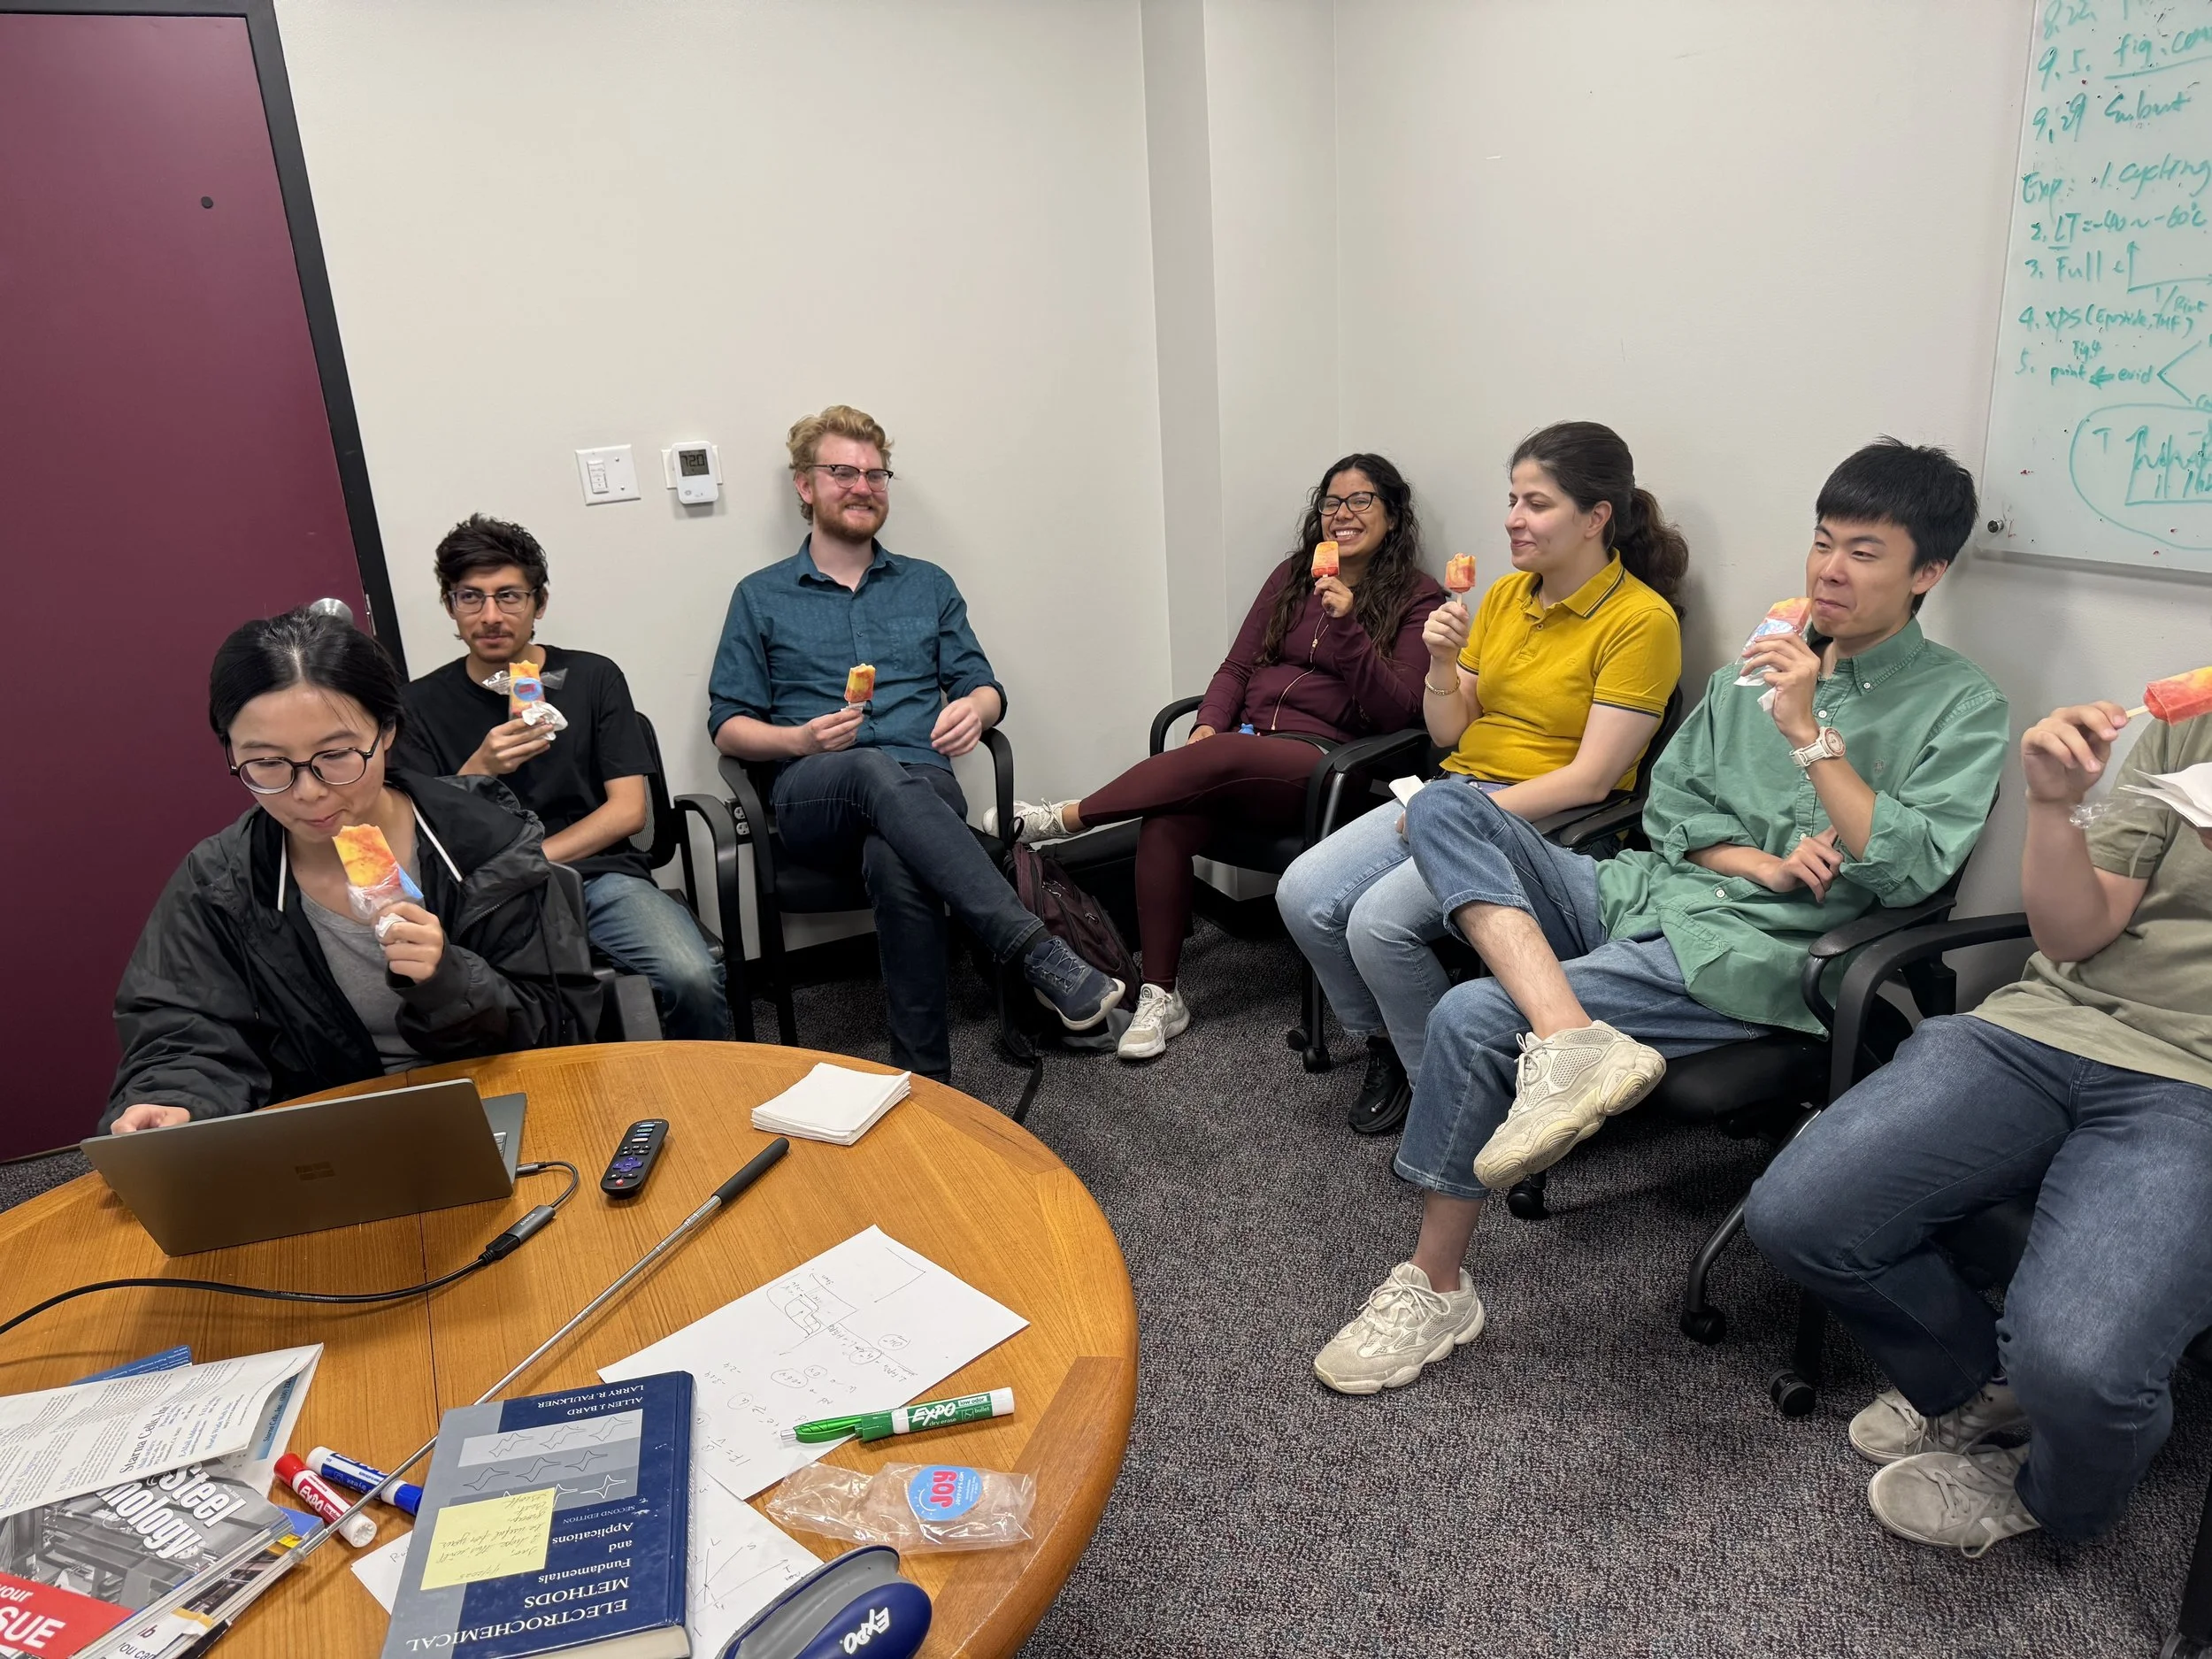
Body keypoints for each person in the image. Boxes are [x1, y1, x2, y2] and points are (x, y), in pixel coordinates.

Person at [1311, 438, 2011, 1395]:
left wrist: (1811, 736)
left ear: (1927, 572)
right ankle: (1570, 1037)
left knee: (1469, 1014)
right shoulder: (1752, 670)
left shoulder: (1961, 706)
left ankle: (1435, 1285)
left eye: (1863, 552)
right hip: (1646, 892)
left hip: (1755, 950)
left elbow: (1909, 869)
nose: (1829, 571)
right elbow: (1672, 809)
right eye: (1821, 542)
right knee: (1443, 806)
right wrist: (1757, 858)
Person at [1744, 691, 2212, 1557]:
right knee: (1799, 1215)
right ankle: (1977, 1383)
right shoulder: (2193, 721)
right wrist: (2052, 803)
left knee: (2080, 1370)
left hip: (2198, 1086)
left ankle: (2052, 1494)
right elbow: (2073, 936)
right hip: (2048, 1026)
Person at [1277, 423, 1685, 1129]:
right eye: (1513, 499)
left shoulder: (1640, 621)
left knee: (1378, 924)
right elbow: (1448, 732)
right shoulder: (1504, 597)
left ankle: (1447, 1094)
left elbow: (1593, 780)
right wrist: (1441, 663)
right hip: (1459, 787)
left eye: (1537, 503)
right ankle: (1388, 1041)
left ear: (1596, 518)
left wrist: (1466, 816)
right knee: (1302, 893)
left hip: (1549, 820)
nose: (1513, 519)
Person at [708, 403, 1120, 1082]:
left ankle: (926, 1082)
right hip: (816, 791)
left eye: (876, 474)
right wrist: (799, 738)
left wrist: (976, 710)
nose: (863, 486)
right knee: (869, 767)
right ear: (805, 485)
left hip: (922, 784)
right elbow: (727, 723)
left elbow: (983, 685)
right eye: (843, 472)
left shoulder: (928, 584)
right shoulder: (760, 596)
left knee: (895, 855)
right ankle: (1035, 950)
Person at [1009, 454, 1445, 1061]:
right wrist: (1207, 724)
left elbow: (1398, 710)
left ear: (1392, 515)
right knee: (1168, 817)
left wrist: (1347, 626)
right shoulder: (1292, 576)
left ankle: (1069, 816)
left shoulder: (1418, 597)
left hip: (1327, 767)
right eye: (1331, 502)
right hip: (1243, 750)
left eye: (1361, 500)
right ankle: (1162, 995)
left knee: (1230, 752)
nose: (1342, 513)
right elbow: (1238, 666)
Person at [105, 609, 599, 1133]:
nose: (308, 792)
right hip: (331, 1134)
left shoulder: (487, 841)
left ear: (386, 731)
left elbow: (562, 1025)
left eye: (337, 754)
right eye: (267, 763)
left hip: (502, 1103)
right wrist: (175, 1100)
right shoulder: (220, 881)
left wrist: (448, 981)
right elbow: (182, 1032)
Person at [393, 514, 731, 1041]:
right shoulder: (416, 705)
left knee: (689, 975)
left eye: (509, 597)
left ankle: (705, 1085)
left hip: (598, 875)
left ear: (540, 603)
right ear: (450, 606)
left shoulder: (593, 677)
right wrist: (479, 769)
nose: (490, 616)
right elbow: (422, 836)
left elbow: (629, 811)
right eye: (470, 598)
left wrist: (533, 860)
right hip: (486, 896)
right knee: (488, 1007)